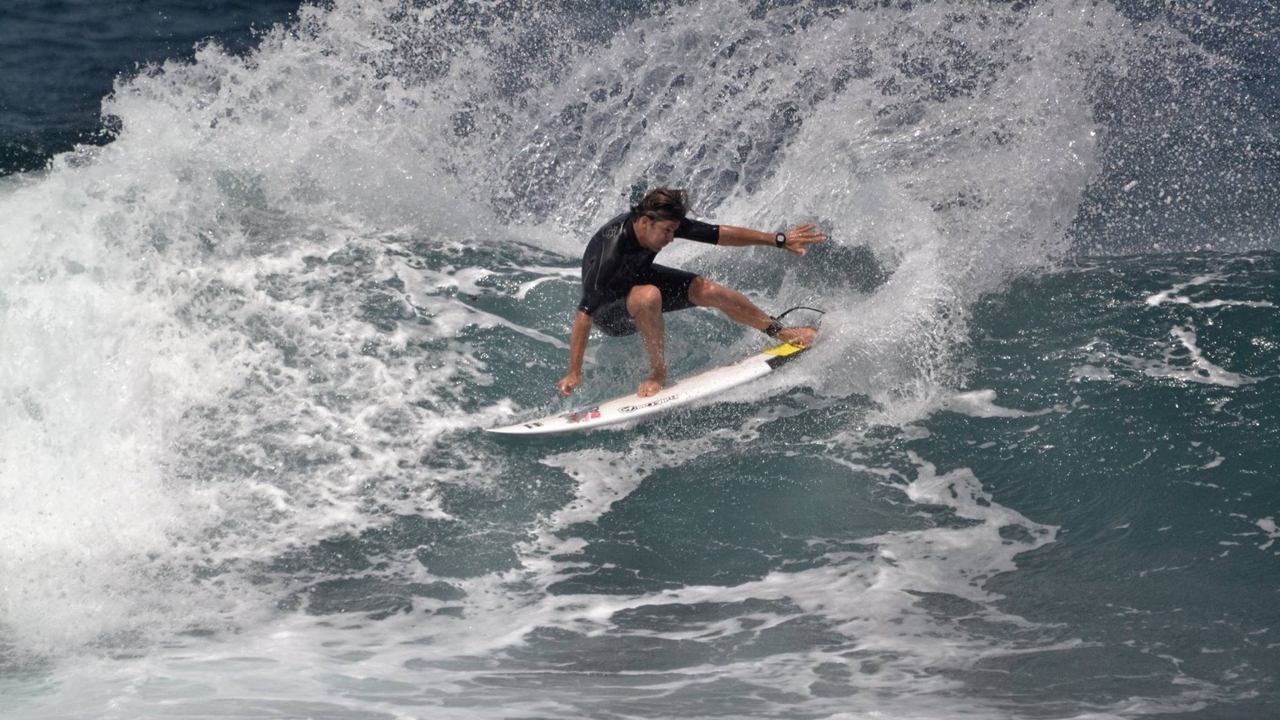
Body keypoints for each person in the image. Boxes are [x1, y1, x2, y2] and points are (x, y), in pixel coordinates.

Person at [558, 188, 826, 398]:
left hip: (638, 279)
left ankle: (781, 331)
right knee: (649, 295)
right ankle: (658, 372)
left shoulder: (662, 223)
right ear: (643, 222)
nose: (672, 238)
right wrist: (574, 373)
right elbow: (584, 315)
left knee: (708, 290)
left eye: (674, 230)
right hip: (612, 313)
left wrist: (778, 240)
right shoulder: (611, 252)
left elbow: (717, 234)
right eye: (667, 232)